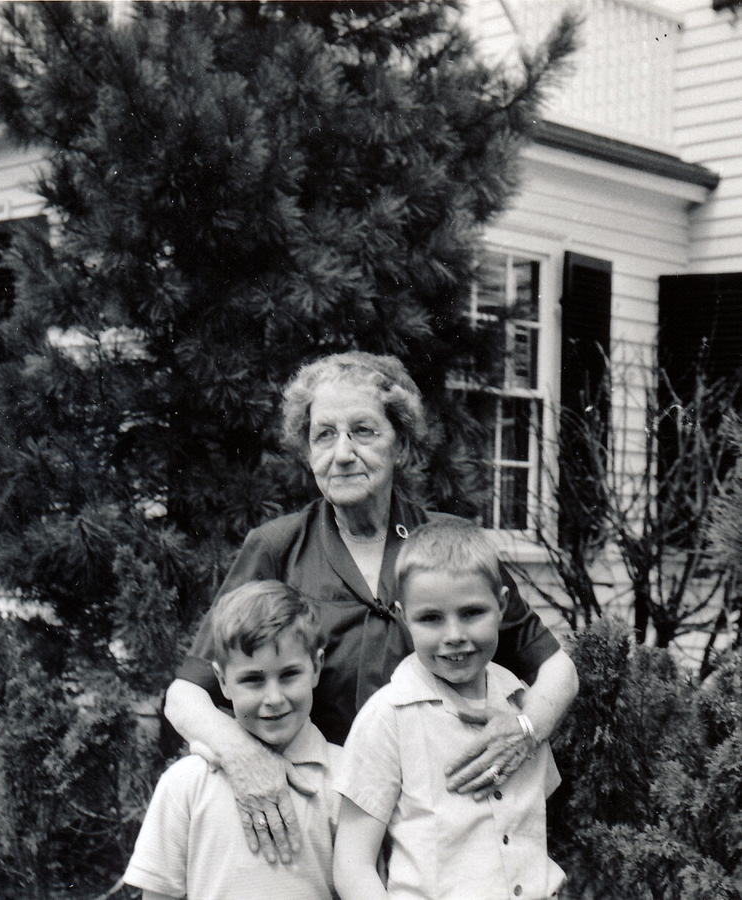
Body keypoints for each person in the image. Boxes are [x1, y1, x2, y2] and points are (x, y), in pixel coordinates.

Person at [165, 350, 578, 865]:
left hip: (432, 833)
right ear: (307, 450)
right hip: (311, 818)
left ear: (400, 442)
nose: (342, 454)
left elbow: (556, 668)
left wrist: (523, 730)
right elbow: (187, 695)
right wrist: (244, 757)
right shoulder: (277, 546)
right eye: (324, 435)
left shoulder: (446, 547)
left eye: (363, 431)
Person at [333, 518, 566, 900]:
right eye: (431, 618)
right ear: (403, 616)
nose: (454, 636)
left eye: (472, 613)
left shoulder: (522, 704)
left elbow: (529, 825)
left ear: (502, 605)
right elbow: (352, 865)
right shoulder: (388, 717)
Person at [124, 581, 341, 900]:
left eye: (289, 675)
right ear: (223, 680)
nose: (274, 698)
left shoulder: (346, 778)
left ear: (316, 667)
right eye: (253, 680)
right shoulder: (185, 784)